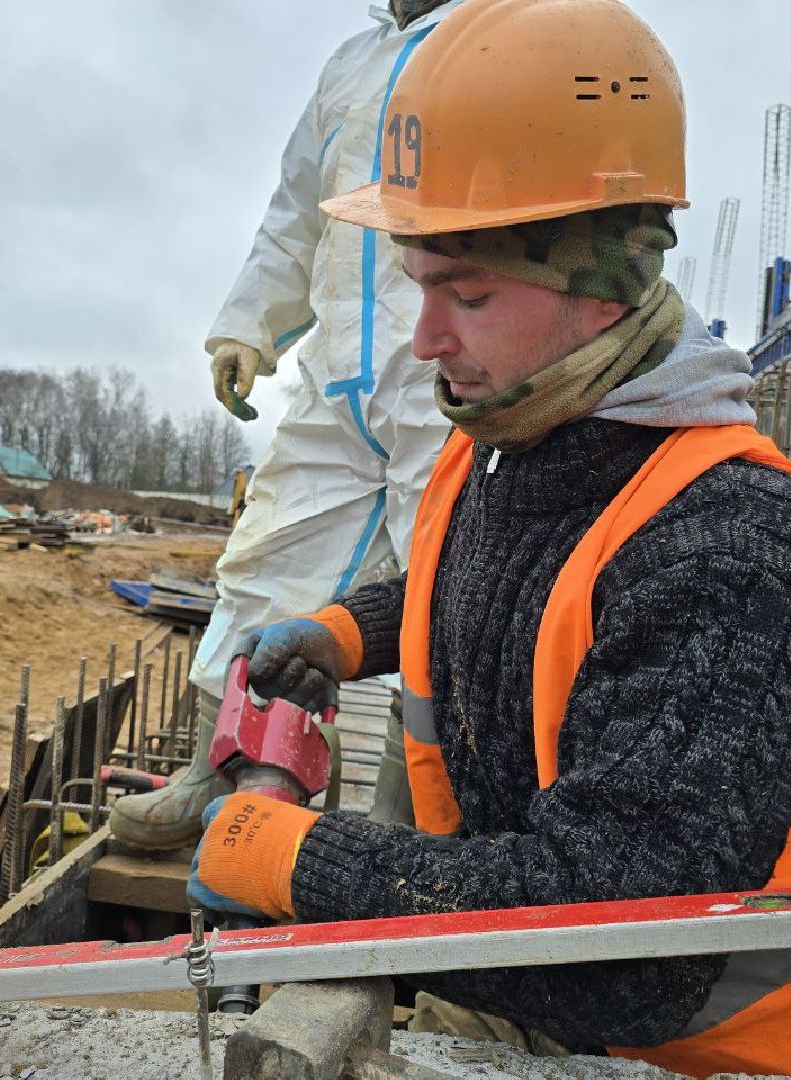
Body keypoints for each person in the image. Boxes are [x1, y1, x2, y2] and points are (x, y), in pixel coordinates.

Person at [186, 1, 791, 1076]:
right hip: (551, 1003)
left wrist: (301, 862)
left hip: (745, 1048)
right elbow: (498, 583)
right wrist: (350, 631)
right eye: (421, 290)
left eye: (469, 294)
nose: (429, 339)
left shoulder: (729, 544)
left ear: (598, 283)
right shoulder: (514, 429)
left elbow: (622, 942)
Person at [109, 0, 464, 849]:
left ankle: (409, 815)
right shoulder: (350, 63)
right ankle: (214, 769)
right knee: (265, 560)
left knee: (446, 592)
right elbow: (297, 211)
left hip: (447, 366)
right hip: (338, 373)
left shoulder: (493, 35)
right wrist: (247, 325)